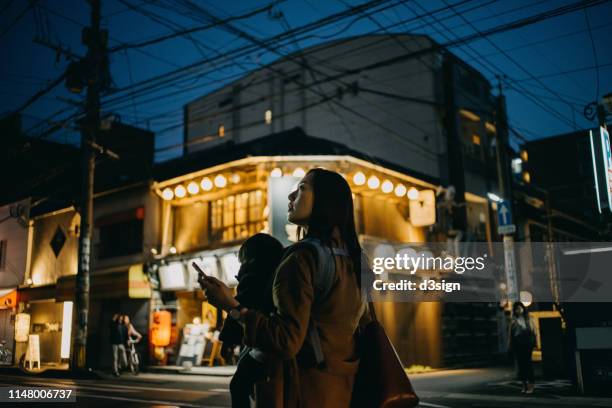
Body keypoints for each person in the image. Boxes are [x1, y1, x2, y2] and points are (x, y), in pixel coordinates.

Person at [200, 168, 366, 407]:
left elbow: (286, 341)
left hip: (301, 390)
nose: (290, 197)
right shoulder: (357, 260)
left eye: (301, 189)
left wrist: (230, 304)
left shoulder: (302, 259)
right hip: (343, 391)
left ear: (324, 201)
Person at [220, 233, 284, 408]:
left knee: (238, 385)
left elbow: (241, 304)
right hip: (274, 338)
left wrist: (227, 340)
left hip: (262, 343)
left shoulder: (251, 275)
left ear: (250, 259)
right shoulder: (279, 271)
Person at [509, 302, 536, 394]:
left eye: (520, 308)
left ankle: (531, 385)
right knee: (521, 366)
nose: (518, 310)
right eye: (516, 308)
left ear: (523, 308)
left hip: (527, 344)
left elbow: (533, 332)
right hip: (518, 345)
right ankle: (524, 385)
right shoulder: (513, 320)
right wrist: (511, 346)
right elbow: (511, 335)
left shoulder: (528, 318)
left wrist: (533, 343)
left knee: (528, 364)